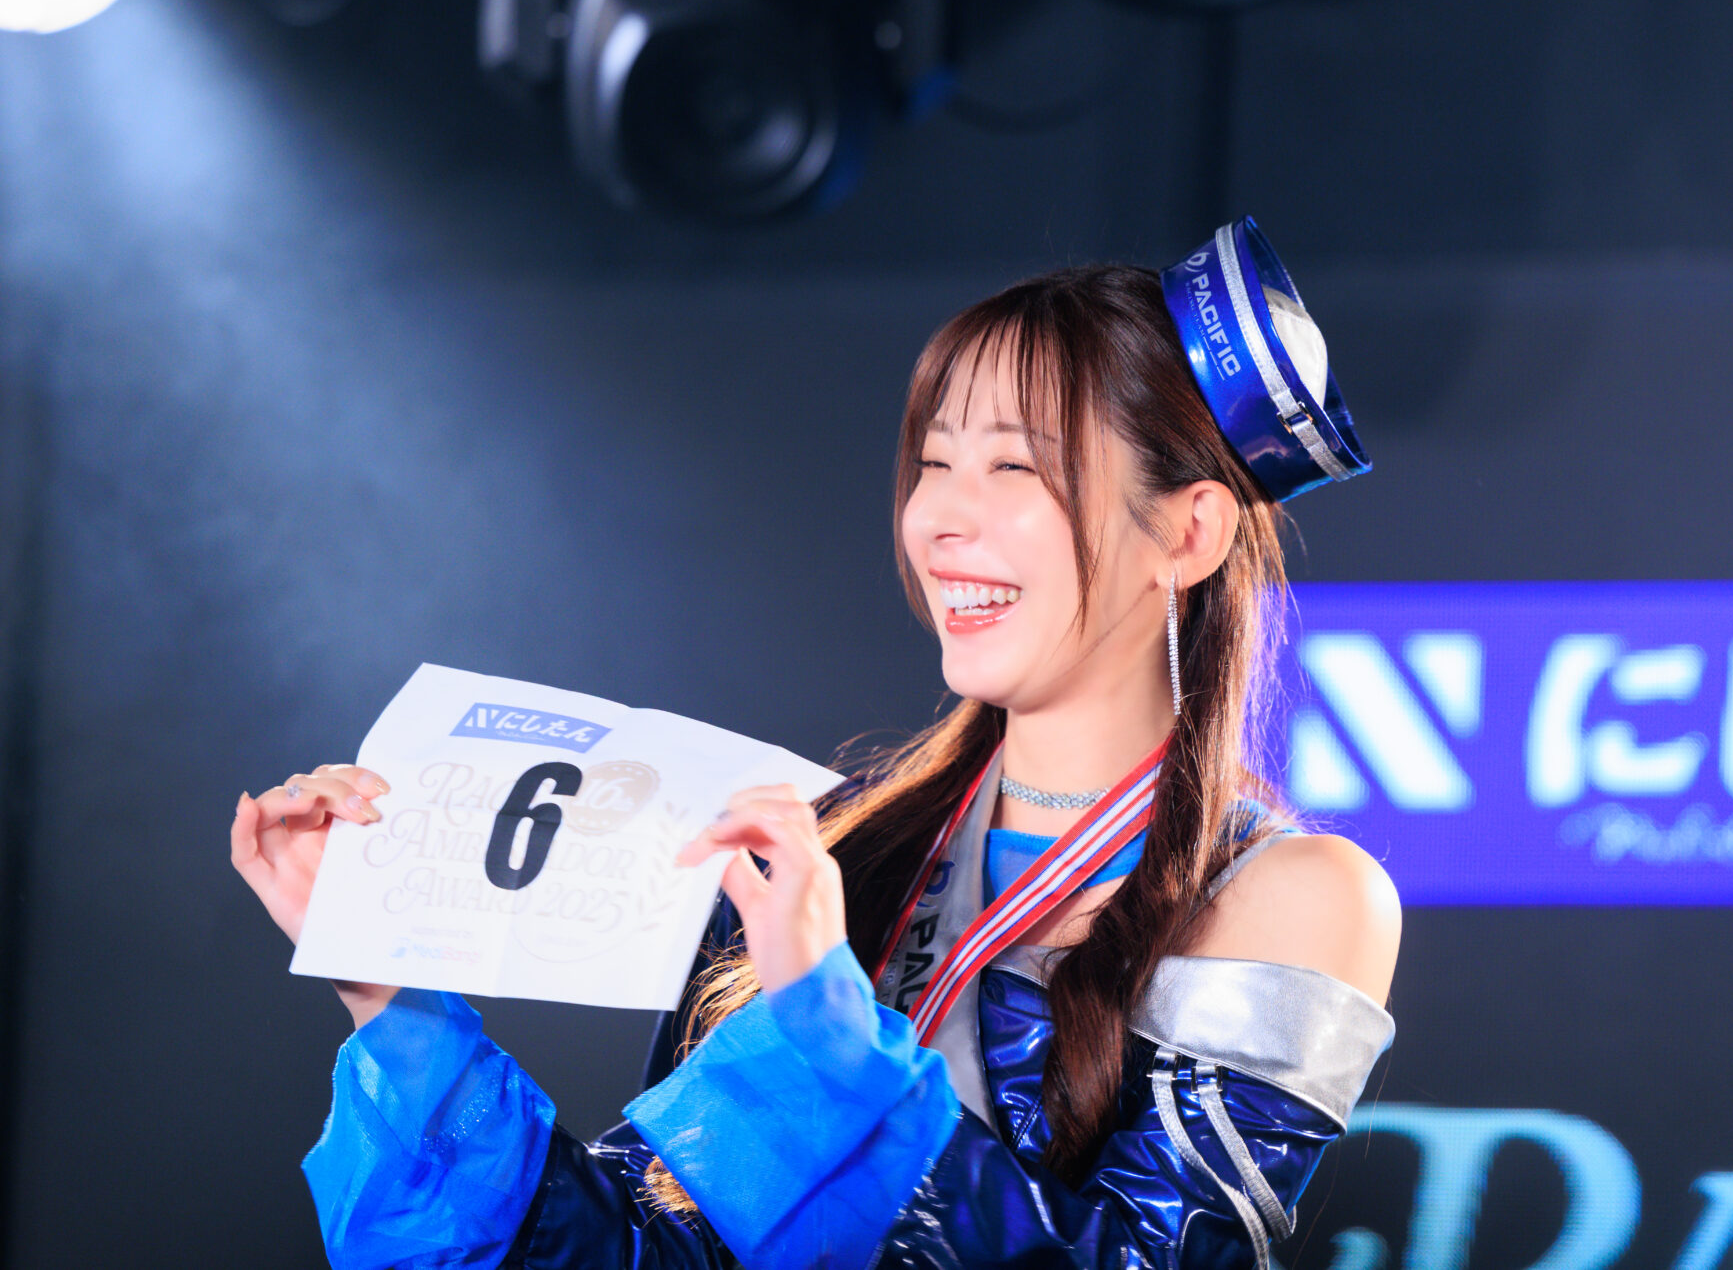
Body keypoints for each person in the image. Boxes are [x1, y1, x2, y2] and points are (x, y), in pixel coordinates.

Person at [229, 220, 1399, 1270]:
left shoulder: (1291, 894)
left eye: (1015, 467)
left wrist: (824, 1033)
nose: (942, 518)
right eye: (934, 463)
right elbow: (644, 1251)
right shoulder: (829, 841)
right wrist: (395, 1001)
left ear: (1188, 533)